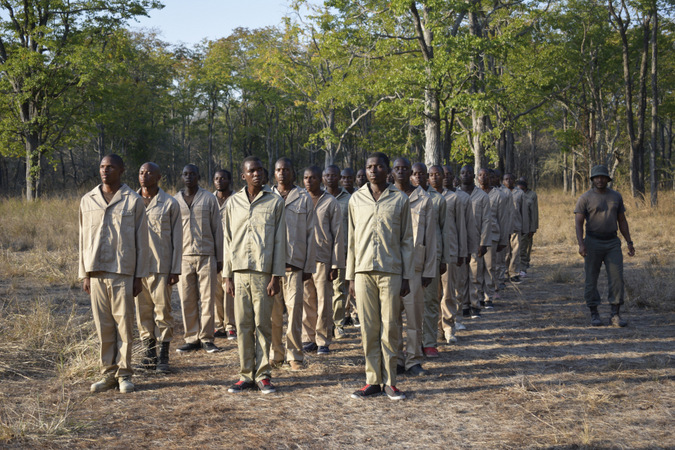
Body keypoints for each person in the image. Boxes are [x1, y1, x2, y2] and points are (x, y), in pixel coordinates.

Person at [80, 154, 149, 394]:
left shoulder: (133, 201)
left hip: (123, 273)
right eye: (101, 166)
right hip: (96, 272)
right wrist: (84, 274)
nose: (105, 170)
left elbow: (142, 241)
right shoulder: (88, 200)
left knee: (124, 327)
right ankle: (108, 374)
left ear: (121, 170)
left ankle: (125, 375)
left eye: (110, 167)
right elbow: (82, 240)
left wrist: (138, 276)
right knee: (103, 327)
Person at [347, 152, 414, 400]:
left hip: (391, 271)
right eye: (369, 167)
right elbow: (351, 241)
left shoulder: (399, 200)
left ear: (388, 171)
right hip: (363, 271)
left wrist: (407, 275)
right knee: (368, 328)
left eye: (378, 167)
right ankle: (372, 380)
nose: (373, 171)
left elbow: (407, 240)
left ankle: (390, 382)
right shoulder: (356, 200)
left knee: (390, 327)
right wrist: (351, 277)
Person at [224, 156, 286, 394]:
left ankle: (263, 375)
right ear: (243, 176)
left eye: (260, 170)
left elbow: (280, 241)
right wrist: (227, 275)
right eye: (252, 171)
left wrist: (276, 276)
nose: (257, 174)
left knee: (262, 323)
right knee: (242, 324)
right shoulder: (233, 203)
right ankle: (245, 374)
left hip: (263, 273)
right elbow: (227, 240)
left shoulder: (274, 202)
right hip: (239, 272)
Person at [135, 162, 182, 374]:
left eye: (149, 173)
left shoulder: (170, 204)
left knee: (163, 312)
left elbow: (178, 240)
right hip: (137, 269)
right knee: (142, 312)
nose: (145, 176)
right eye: (141, 172)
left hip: (161, 267)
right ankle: (149, 353)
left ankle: (164, 354)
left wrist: (175, 269)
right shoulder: (131, 202)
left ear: (159, 176)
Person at [270, 158, 316, 372]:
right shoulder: (267, 197)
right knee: (273, 315)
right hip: (271, 269)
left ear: (292, 172)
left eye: (285, 170)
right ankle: (275, 354)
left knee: (295, 314)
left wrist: (308, 267)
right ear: (274, 173)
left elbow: (310, 234)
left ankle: (295, 356)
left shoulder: (303, 198)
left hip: (294, 267)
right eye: (278, 170)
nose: (282, 173)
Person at [574, 165, 635, 327]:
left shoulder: (616, 196)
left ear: (608, 179)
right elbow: (578, 223)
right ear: (592, 179)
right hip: (592, 241)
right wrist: (581, 244)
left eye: (603, 177)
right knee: (591, 278)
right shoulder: (585, 198)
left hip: (612, 242)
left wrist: (629, 242)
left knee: (616, 278)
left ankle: (615, 314)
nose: (600, 180)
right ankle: (594, 313)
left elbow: (622, 220)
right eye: (596, 177)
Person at [393, 159, 436, 376]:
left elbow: (430, 237)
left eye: (404, 169)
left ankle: (413, 360)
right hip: (391, 266)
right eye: (397, 168)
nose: (401, 172)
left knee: (414, 316)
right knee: (391, 318)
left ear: (412, 173)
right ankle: (397, 360)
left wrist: (429, 270)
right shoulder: (388, 197)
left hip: (416, 268)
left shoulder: (424, 200)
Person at [174, 164, 223, 354]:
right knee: (187, 298)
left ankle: (207, 338)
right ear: (181, 176)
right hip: (183, 257)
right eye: (185, 174)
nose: (189, 177)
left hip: (206, 255)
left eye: (192, 174)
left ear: (198, 176)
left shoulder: (209, 199)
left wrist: (219, 258)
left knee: (208, 298)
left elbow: (217, 229)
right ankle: (192, 337)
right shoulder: (175, 201)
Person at [302, 166, 344, 354]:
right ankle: (308, 338)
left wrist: (335, 264)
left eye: (312, 178)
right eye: (305, 178)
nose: (309, 181)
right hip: (303, 259)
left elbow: (338, 235)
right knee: (306, 300)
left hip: (323, 259)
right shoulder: (300, 200)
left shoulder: (331, 202)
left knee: (324, 301)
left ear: (320, 180)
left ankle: (322, 340)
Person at [431, 165, 468, 344]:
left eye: (441, 175)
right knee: (432, 294)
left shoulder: (454, 198)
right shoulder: (425, 197)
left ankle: (448, 327)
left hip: (451, 251)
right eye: (433, 175)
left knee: (448, 293)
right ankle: (435, 328)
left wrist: (462, 252)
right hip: (431, 253)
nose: (438, 178)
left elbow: (461, 226)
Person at [458, 166, 491, 319]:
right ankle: (464, 305)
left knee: (475, 274)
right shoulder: (455, 195)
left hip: (476, 240)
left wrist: (484, 243)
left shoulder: (482, 196)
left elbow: (486, 220)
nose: (466, 175)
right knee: (462, 275)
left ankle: (475, 305)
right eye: (463, 173)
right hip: (460, 241)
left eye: (469, 173)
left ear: (474, 176)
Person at [325, 165, 351, 339]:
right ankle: (323, 325)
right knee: (321, 291)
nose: (330, 178)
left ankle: (338, 324)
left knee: (339, 289)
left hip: (342, 251)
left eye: (334, 175)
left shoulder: (350, 199)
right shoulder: (317, 198)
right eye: (327, 175)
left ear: (339, 178)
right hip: (320, 252)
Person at [478, 169, 508, 310]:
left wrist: (503, 240)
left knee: (490, 267)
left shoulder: (499, 195)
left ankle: (488, 296)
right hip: (475, 236)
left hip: (493, 235)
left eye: (486, 176)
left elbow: (503, 218)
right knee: (476, 268)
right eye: (480, 175)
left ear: (492, 178)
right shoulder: (473, 194)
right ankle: (477, 296)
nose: (483, 178)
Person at [213, 169, 237, 341]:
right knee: (215, 291)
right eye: (216, 179)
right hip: (213, 251)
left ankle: (230, 325)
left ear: (230, 180)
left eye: (223, 178)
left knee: (229, 289)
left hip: (232, 251)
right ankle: (218, 324)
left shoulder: (237, 200)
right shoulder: (209, 199)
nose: (219, 181)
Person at [503, 173, 528, 283]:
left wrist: (525, 228)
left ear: (514, 180)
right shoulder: (500, 192)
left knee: (515, 251)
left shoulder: (520, 193)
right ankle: (504, 273)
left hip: (516, 226)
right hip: (503, 227)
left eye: (511, 179)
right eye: (506, 179)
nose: (508, 181)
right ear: (503, 181)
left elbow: (524, 211)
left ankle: (514, 273)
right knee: (505, 251)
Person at [518, 179, 539, 275]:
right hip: (516, 225)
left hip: (527, 225)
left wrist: (533, 228)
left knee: (525, 247)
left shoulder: (531, 195)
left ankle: (524, 266)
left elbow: (534, 213)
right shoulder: (514, 194)